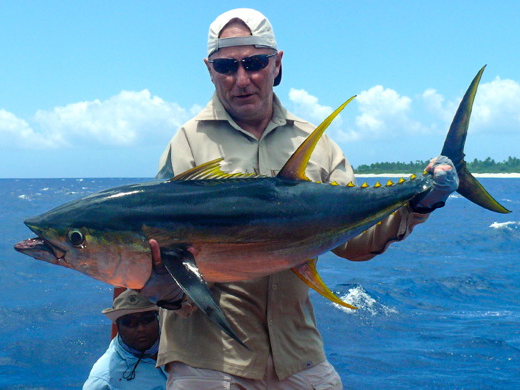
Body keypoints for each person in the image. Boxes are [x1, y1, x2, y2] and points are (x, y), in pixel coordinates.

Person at [148, 8, 459, 389]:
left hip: (299, 357)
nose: (241, 79)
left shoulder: (316, 144)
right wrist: (156, 283)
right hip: (209, 364)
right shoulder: (187, 144)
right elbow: (161, 254)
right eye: (226, 66)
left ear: (277, 64)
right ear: (209, 70)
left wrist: (422, 201)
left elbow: (356, 245)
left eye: (255, 63)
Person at [83, 289, 167, 390]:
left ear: (157, 319)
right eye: (130, 323)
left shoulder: (179, 342)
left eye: (147, 319)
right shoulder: (103, 382)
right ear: (118, 327)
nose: (141, 328)